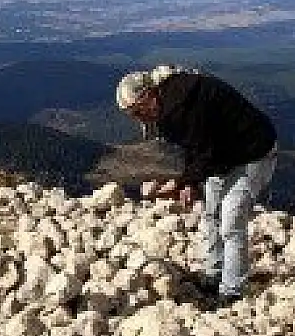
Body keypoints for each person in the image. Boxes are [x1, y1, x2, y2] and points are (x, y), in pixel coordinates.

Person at [116, 65, 278, 308]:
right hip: (224, 155)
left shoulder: (179, 107)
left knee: (231, 222)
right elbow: (195, 144)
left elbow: (204, 150)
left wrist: (181, 182)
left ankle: (232, 291)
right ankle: (214, 275)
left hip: (254, 152)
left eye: (138, 112)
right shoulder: (173, 100)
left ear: (148, 96)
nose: (138, 119)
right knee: (212, 215)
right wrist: (189, 182)